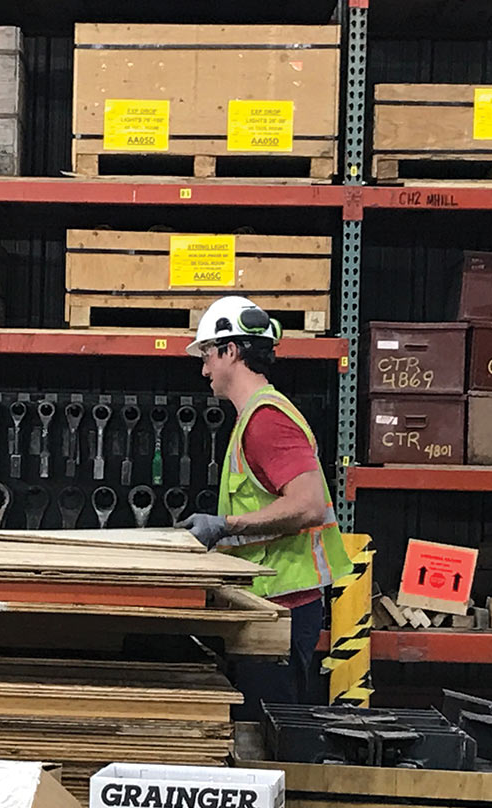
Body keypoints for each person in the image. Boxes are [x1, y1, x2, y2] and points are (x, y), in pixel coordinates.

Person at [176, 295, 352, 715]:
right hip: (273, 603)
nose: (203, 369)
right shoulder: (256, 416)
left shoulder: (266, 421)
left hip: (282, 606)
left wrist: (225, 525)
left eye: (207, 355)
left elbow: (308, 504)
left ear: (230, 351)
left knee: (268, 733)